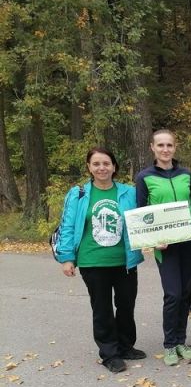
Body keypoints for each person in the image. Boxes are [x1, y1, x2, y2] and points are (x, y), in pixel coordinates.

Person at [56, 147, 145, 373]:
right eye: (96, 164)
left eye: (106, 163)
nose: (101, 168)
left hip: (125, 260)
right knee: (102, 308)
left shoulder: (129, 193)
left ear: (114, 166)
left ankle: (126, 346)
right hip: (92, 261)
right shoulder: (78, 194)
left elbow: (142, 220)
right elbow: (67, 227)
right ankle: (109, 353)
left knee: (126, 305)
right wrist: (67, 258)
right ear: (89, 167)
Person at [135, 129, 191, 366]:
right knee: (172, 294)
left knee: (185, 294)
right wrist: (152, 242)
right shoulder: (144, 177)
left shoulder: (186, 175)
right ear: (152, 147)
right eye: (160, 145)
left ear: (175, 147)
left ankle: (181, 340)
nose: (165, 149)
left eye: (169, 145)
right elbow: (141, 215)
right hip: (166, 247)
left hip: (189, 242)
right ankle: (170, 344)